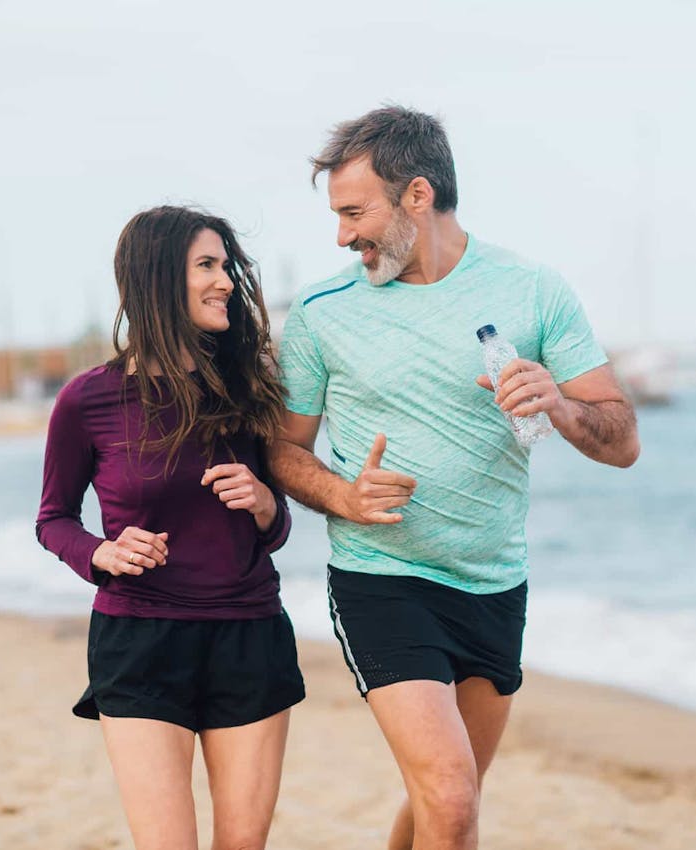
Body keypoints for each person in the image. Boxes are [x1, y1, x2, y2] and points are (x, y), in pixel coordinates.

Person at [269, 106, 640, 850]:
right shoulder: (320, 312)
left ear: (416, 194)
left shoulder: (533, 290)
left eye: (353, 212)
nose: (343, 235)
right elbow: (281, 452)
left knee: (447, 798)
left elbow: (623, 440)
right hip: (383, 578)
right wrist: (343, 495)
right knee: (451, 793)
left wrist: (562, 407)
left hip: (493, 580)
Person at [36, 205, 304, 850]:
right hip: (139, 641)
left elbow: (273, 529)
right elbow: (53, 520)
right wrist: (103, 554)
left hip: (248, 636)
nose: (225, 282)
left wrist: (266, 504)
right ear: (158, 278)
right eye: (206, 266)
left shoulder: (251, 388)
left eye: (226, 266)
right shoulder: (89, 399)